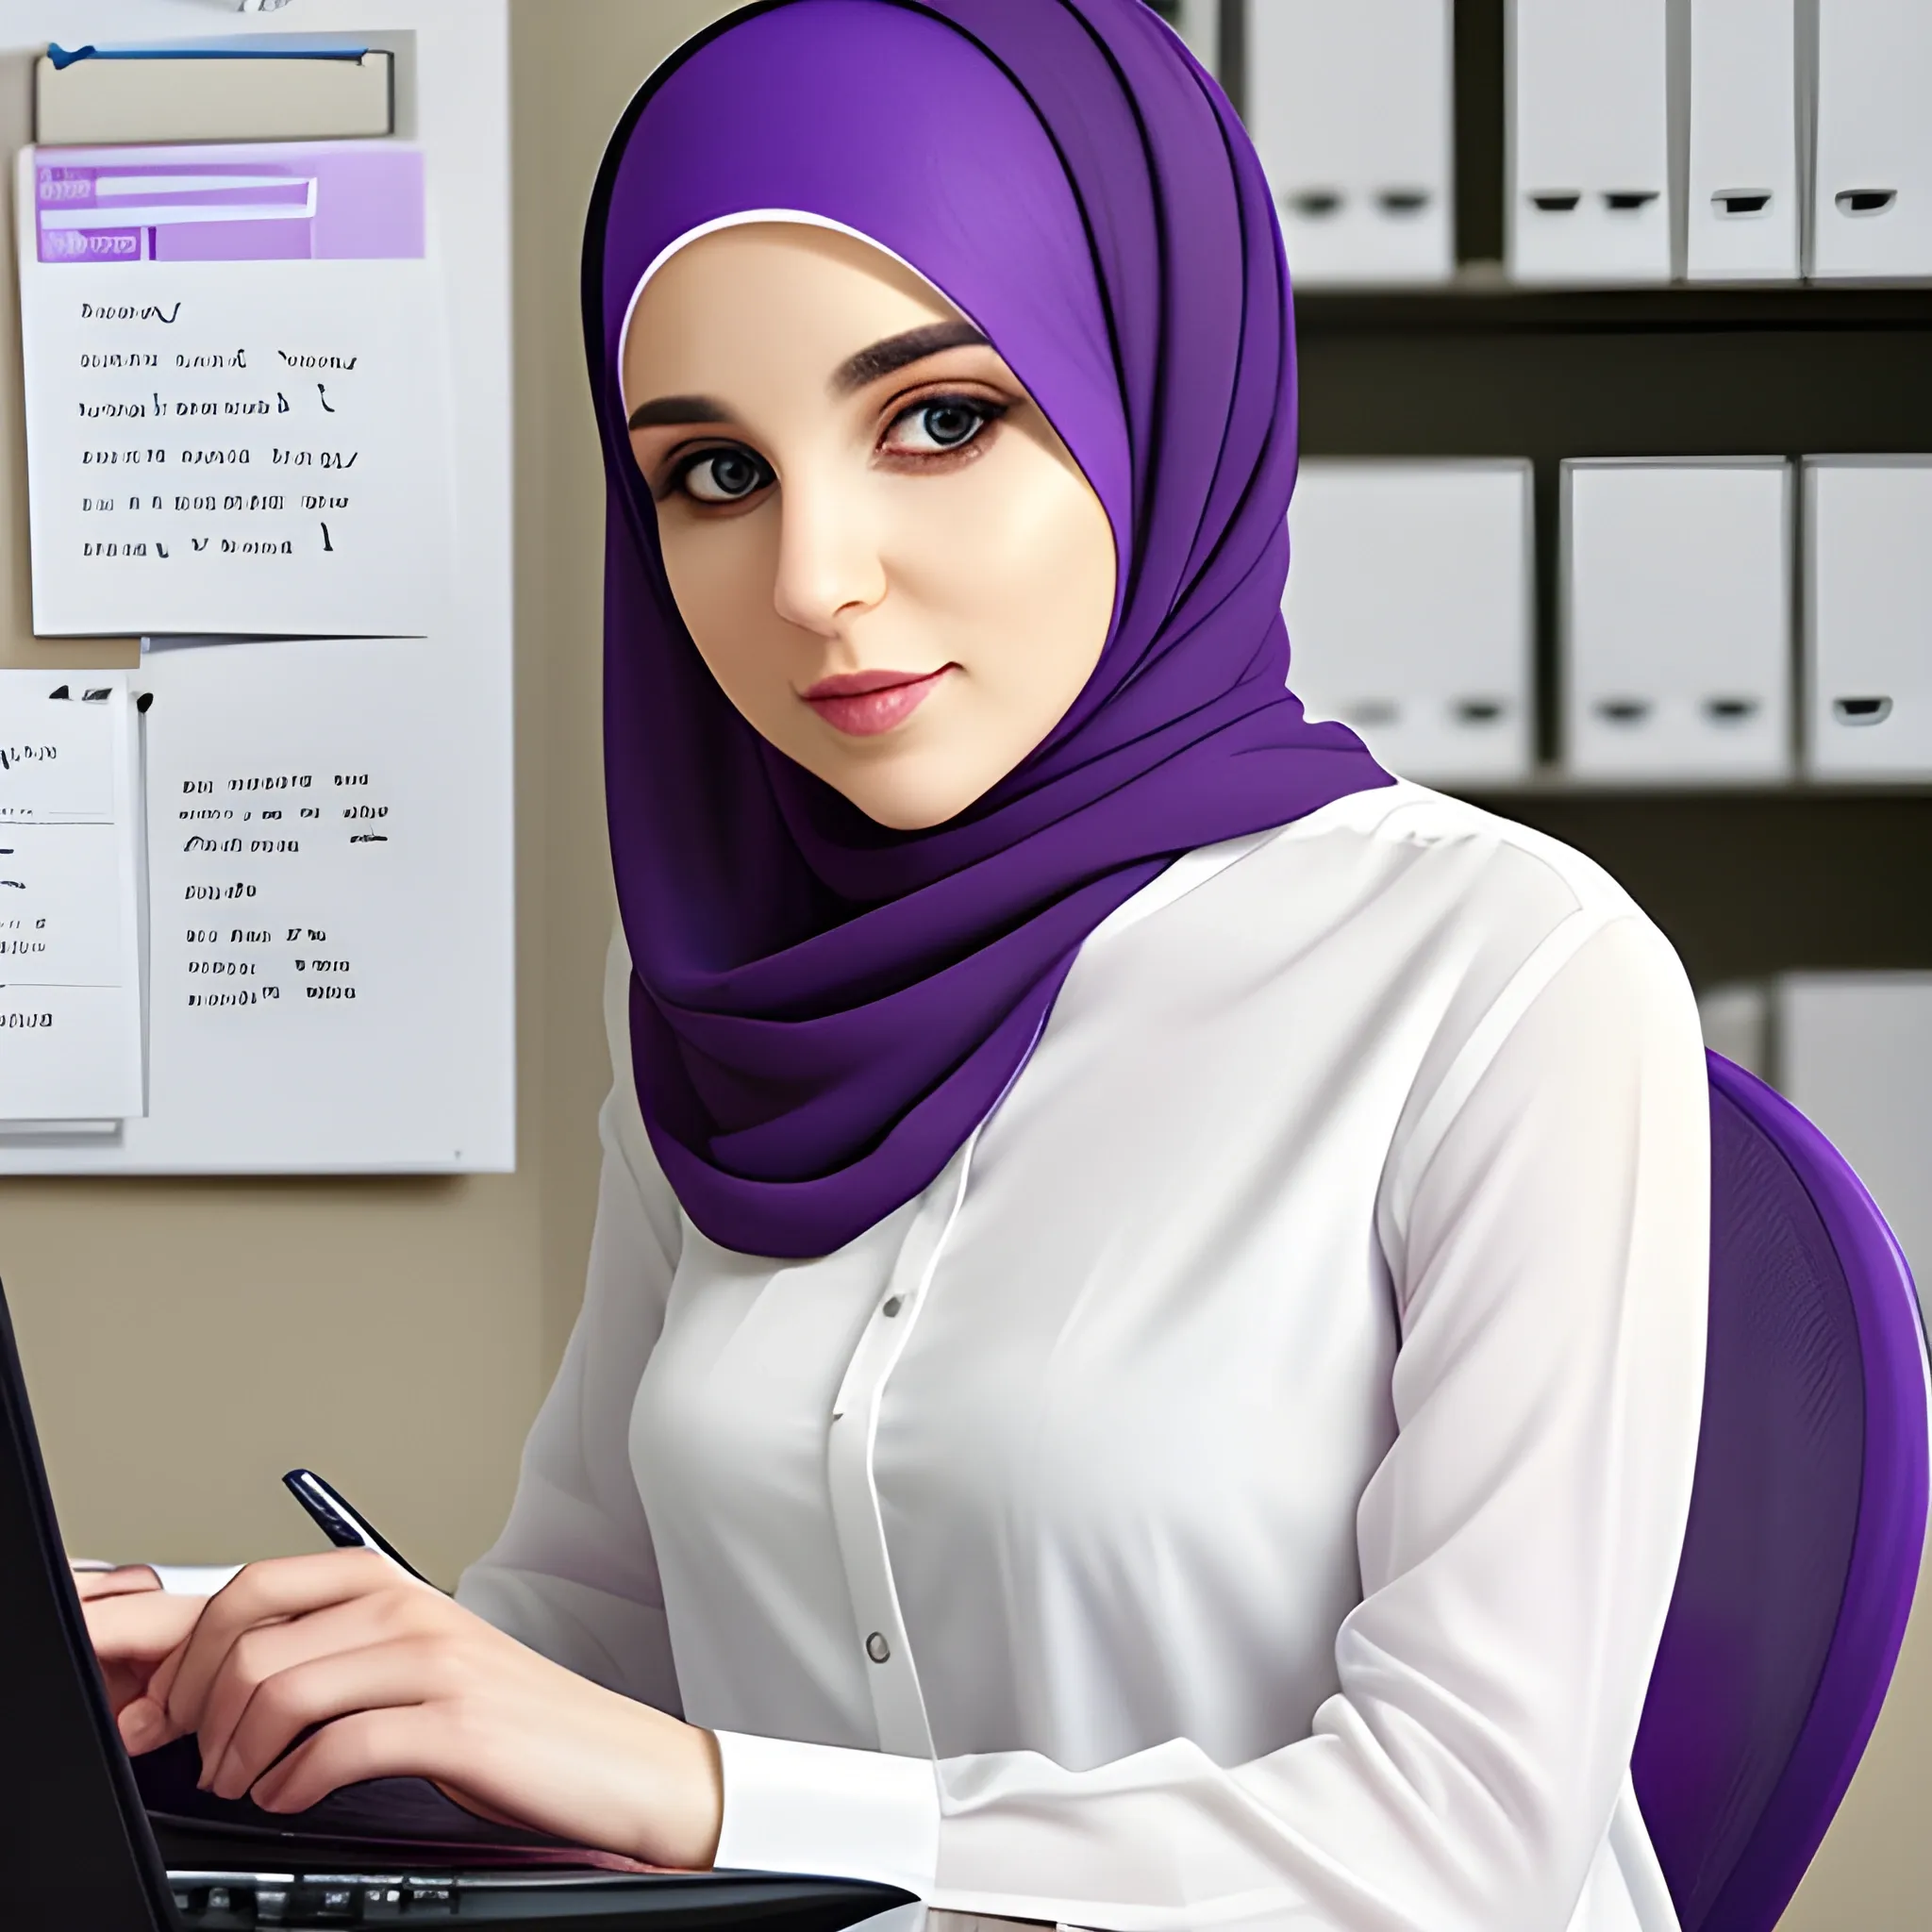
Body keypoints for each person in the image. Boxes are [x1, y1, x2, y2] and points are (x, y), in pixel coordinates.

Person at [81, 3, 1711, 1926]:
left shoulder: (1497, 968)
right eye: (712, 474)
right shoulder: (704, 981)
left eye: (940, 419)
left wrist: (698, 1790)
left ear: (1153, 391)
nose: (809, 582)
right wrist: (265, 1659)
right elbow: (601, 1625)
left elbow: (1455, 1837)